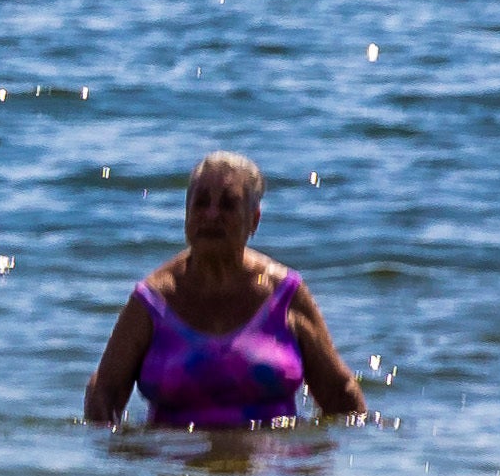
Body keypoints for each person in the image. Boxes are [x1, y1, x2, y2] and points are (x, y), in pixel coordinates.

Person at [83, 151, 366, 427]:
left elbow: (339, 393)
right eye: (201, 203)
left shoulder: (284, 294)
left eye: (228, 204)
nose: (212, 214)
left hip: (274, 470)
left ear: (254, 219)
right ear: (186, 214)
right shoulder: (153, 301)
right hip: (177, 468)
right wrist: (113, 466)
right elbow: (104, 394)